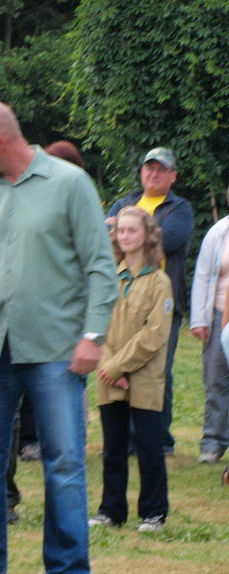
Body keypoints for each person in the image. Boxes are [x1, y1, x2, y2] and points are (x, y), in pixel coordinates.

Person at [0, 98, 118, 574]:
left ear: (0, 141)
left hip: (55, 349)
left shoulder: (69, 184)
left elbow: (99, 265)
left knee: (63, 463)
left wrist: (93, 335)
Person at [106, 147, 194, 455]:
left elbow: (169, 239)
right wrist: (123, 227)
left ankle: (160, 439)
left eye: (160, 169)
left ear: (173, 176)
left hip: (162, 300)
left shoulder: (180, 207)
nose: (153, 174)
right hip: (124, 301)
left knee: (157, 372)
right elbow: (107, 238)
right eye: (148, 168)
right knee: (121, 365)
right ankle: (127, 439)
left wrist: (122, 226)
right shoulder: (124, 202)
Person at [90, 207, 172, 532]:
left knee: (149, 447)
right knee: (113, 448)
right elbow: (98, 323)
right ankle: (111, 510)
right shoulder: (109, 277)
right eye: (120, 230)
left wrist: (118, 365)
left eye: (132, 230)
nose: (125, 236)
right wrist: (109, 365)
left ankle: (154, 512)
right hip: (109, 376)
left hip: (143, 376)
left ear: (147, 235)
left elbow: (155, 334)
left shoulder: (159, 282)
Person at [189, 189, 229, 464]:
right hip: (218, 315)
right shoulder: (220, 231)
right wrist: (199, 319)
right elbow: (202, 275)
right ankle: (212, 443)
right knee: (216, 380)